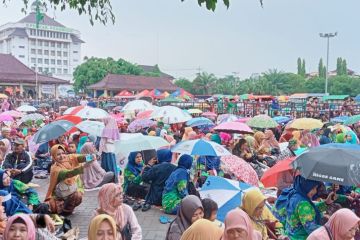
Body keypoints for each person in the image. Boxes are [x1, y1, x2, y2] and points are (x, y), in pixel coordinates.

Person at [273, 175, 337, 240]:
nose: (315, 191)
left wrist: (326, 203)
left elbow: (310, 210)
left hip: (289, 235)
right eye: (313, 188)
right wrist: (331, 230)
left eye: (315, 188)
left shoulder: (294, 194)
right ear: (306, 187)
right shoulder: (303, 204)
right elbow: (311, 228)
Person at [45, 144, 94, 216]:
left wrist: (91, 157)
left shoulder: (70, 158)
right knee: (53, 207)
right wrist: (83, 168)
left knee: (77, 195)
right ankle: (65, 209)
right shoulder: (55, 169)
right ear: (53, 156)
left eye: (63, 153)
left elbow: (81, 158)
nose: (62, 156)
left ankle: (67, 210)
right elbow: (68, 174)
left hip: (71, 190)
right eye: (58, 154)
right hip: (59, 195)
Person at [100, 117, 120, 183]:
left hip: (106, 149)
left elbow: (102, 142)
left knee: (107, 165)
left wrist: (99, 152)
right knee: (112, 164)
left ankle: (108, 180)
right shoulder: (114, 129)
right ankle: (115, 180)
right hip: (112, 149)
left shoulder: (106, 129)